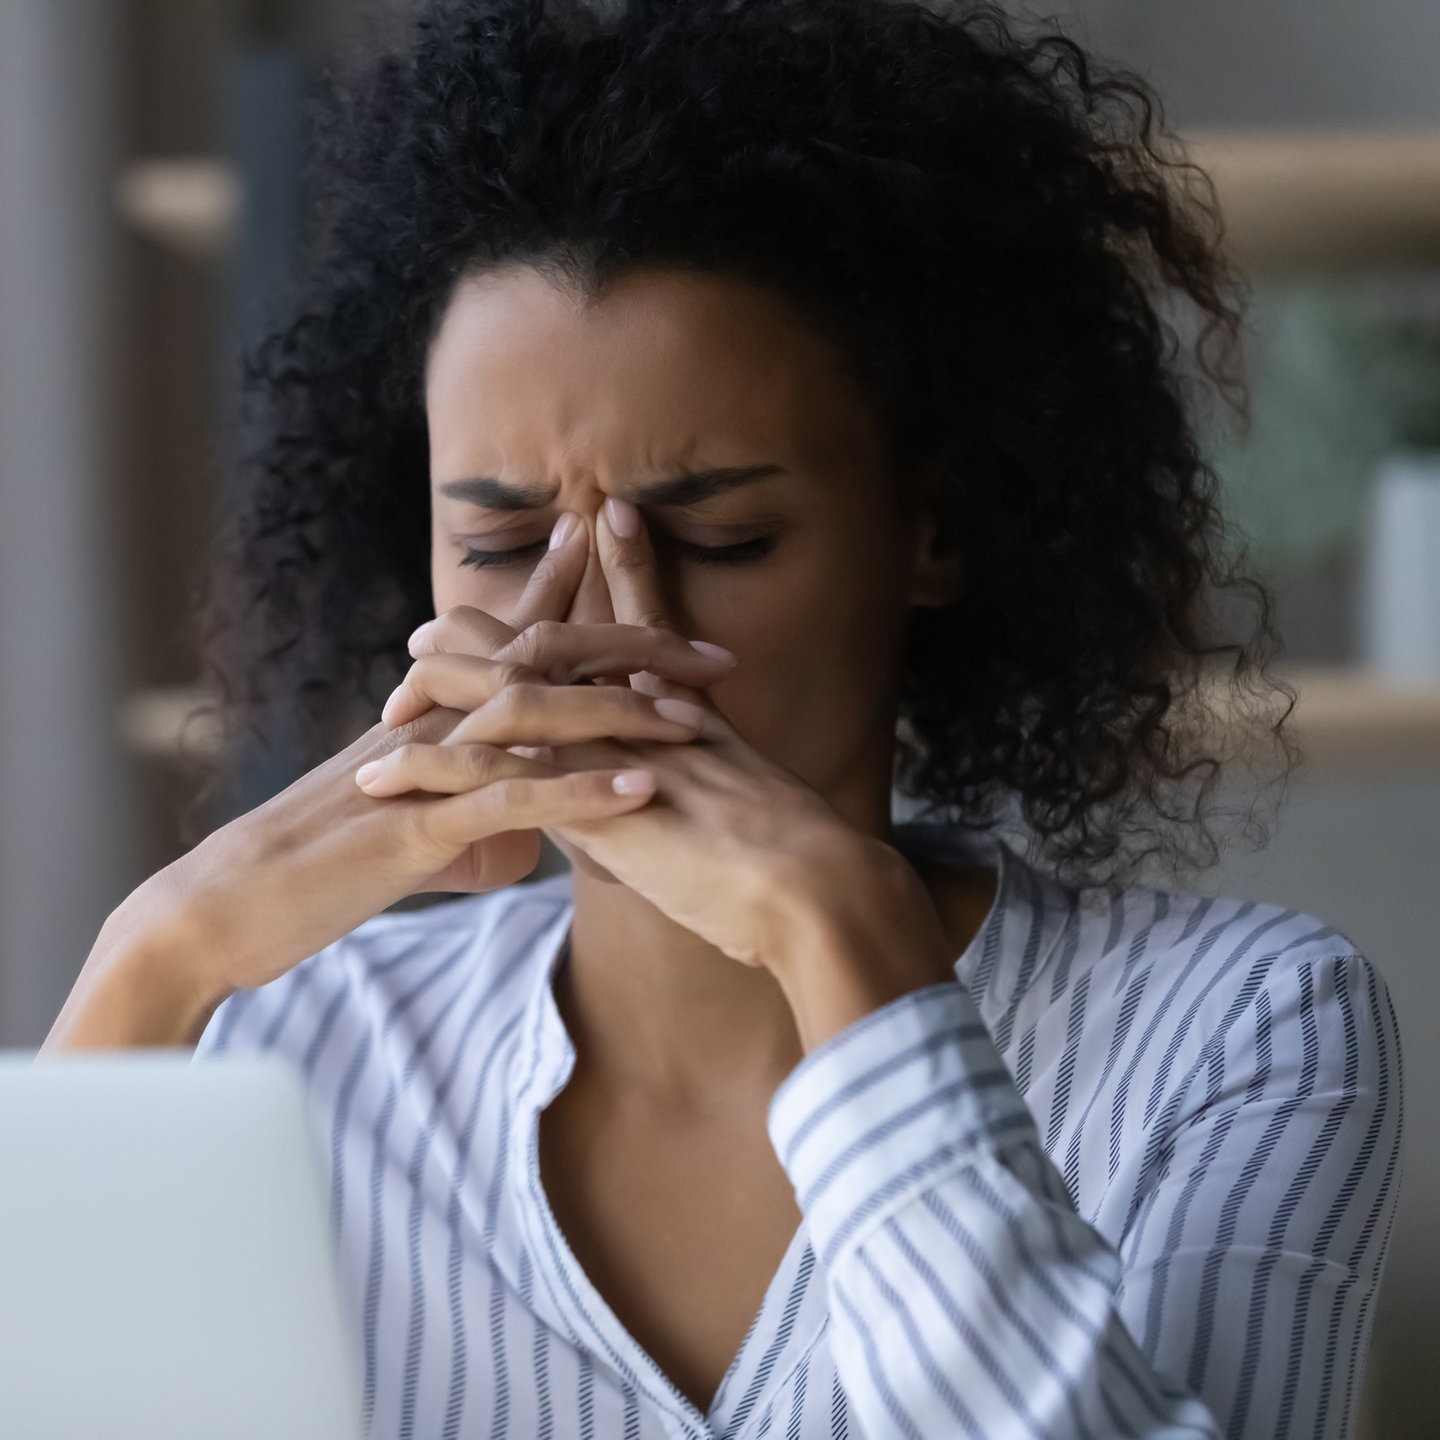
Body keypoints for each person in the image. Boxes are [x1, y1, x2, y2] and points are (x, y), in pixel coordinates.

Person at [47, 1, 1402, 1436]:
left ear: (926, 529)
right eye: (503, 545)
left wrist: (841, 941)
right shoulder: (289, 1053)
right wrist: (157, 955)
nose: (589, 635)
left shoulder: (1234, 1030)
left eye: (724, 537)